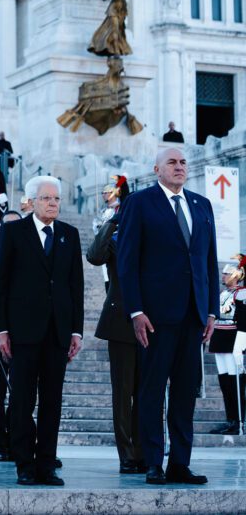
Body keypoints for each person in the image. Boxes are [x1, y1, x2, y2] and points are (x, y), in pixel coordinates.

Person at [117, 147, 219, 485]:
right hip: (155, 316)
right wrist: (136, 310)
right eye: (172, 162)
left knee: (185, 392)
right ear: (156, 169)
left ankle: (180, 463)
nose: (179, 167)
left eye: (183, 162)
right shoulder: (140, 203)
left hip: (193, 315)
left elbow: (208, 261)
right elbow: (127, 261)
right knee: (152, 390)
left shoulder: (201, 205)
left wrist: (212, 310)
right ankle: (152, 462)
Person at [0, 176, 84, 486]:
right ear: (32, 202)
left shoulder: (69, 235)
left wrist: (76, 331)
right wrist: (0, 329)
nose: (53, 203)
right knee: (21, 401)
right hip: (22, 332)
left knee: (52, 402)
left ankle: (46, 464)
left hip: (57, 333)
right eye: (46, 198)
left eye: (56, 199)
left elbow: (75, 287)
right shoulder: (14, 232)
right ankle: (24, 464)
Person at [87, 195, 146, 473]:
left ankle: (143, 449)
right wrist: (111, 222)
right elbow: (94, 256)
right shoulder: (114, 238)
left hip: (151, 323)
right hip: (120, 321)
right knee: (123, 393)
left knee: (146, 392)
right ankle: (127, 455)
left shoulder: (151, 237)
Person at [0, 209, 21, 462]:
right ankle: (0, 440)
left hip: (25, 332)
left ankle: (20, 438)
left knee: (24, 391)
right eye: (6, 226)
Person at [207, 260, 244, 435]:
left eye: (228, 273)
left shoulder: (242, 293)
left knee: (235, 380)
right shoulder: (223, 293)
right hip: (220, 337)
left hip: (233, 338)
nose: (224, 275)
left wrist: (241, 344)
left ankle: (239, 419)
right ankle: (230, 418)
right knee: (224, 381)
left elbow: (244, 320)